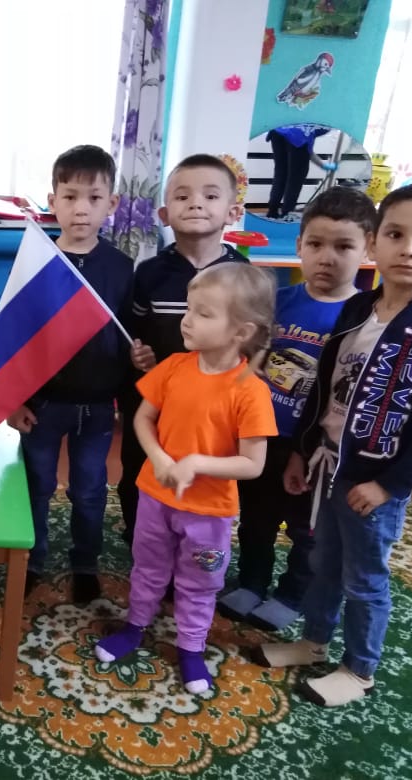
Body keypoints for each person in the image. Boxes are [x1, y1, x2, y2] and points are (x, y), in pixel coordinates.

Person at [254, 183, 412, 707]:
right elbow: (323, 388)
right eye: (396, 234)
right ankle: (313, 642)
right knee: (325, 561)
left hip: (376, 481)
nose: (410, 249)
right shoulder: (358, 308)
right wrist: (301, 450)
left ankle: (359, 670)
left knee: (365, 577)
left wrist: (389, 485)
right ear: (375, 242)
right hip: (329, 464)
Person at [95, 262, 278, 694]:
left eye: (203, 313)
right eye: (188, 308)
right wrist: (159, 456)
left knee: (198, 583)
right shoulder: (175, 366)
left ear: (241, 332)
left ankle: (191, 648)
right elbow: (142, 419)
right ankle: (135, 626)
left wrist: (197, 463)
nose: (187, 320)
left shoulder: (250, 390)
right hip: (155, 497)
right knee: (148, 568)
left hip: (208, 511)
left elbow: (253, 464)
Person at [218, 187, 376, 630]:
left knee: (307, 529)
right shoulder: (278, 303)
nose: (327, 258)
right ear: (301, 245)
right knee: (256, 518)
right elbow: (250, 363)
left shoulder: (365, 316)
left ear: (368, 248)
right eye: (316, 244)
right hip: (262, 436)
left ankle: (293, 593)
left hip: (319, 446)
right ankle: (252, 582)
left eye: (343, 247)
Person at [5, 144, 133, 603]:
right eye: (71, 196)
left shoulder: (121, 268)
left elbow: (129, 335)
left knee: (90, 489)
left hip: (97, 406)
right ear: (52, 201)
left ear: (111, 204)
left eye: (94, 198)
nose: (82, 209)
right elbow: (13, 337)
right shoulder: (36, 264)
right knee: (36, 485)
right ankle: (33, 558)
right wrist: (14, 400)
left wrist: (136, 365)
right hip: (43, 403)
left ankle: (85, 563)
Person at [119, 154, 248, 550]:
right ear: (164, 214)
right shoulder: (150, 273)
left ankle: (196, 546)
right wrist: (137, 355)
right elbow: (133, 330)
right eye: (182, 196)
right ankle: (141, 539)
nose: (195, 204)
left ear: (233, 212)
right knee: (139, 468)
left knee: (204, 473)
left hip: (214, 406)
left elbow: (254, 341)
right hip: (156, 400)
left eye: (210, 196)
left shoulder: (244, 275)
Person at [266, 125, 335, 220]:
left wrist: (323, 165)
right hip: (297, 135)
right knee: (295, 178)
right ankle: (287, 214)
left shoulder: (306, 126)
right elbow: (306, 150)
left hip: (278, 131)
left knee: (280, 174)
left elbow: (306, 151)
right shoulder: (313, 129)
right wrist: (324, 166)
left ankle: (272, 212)